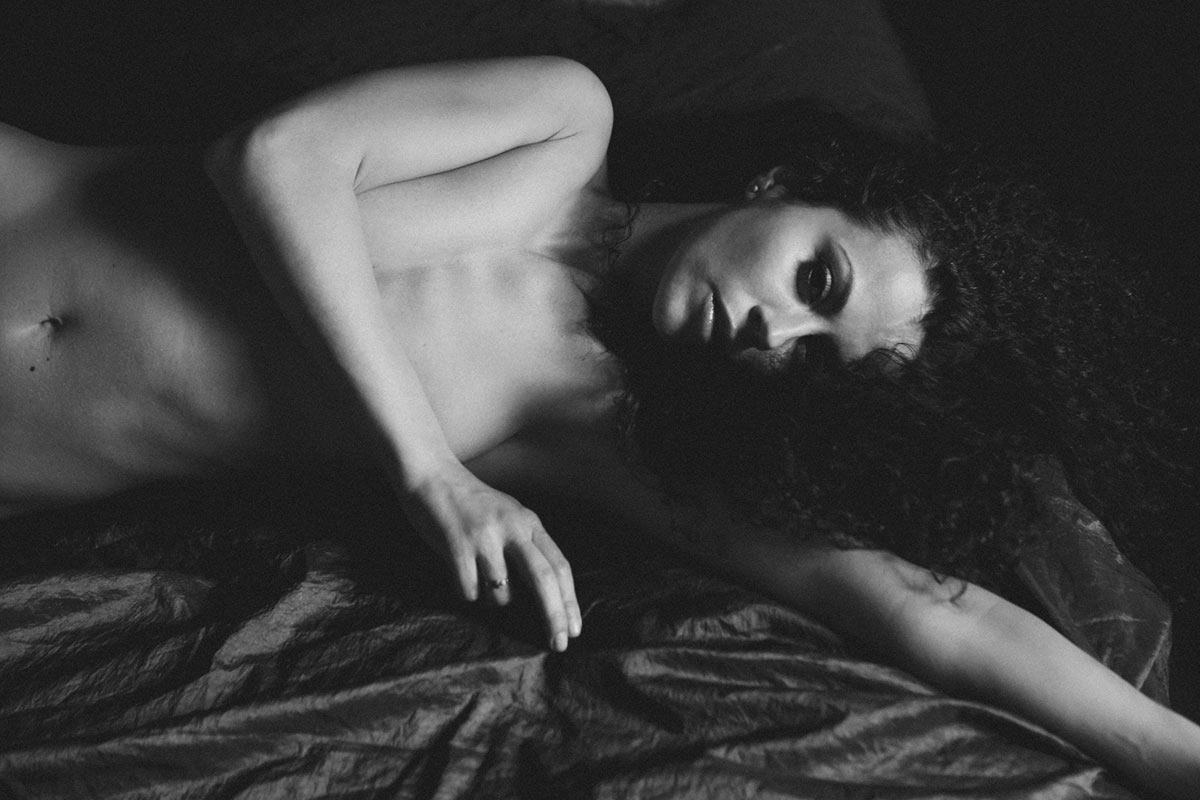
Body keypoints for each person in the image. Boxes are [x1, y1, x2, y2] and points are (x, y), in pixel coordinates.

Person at [0, 57, 1196, 796]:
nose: (774, 330)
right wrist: (432, 472)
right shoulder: (561, 124)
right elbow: (276, 158)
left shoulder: (593, 424)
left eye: (814, 357)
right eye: (817, 279)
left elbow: (921, 605)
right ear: (788, 185)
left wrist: (1164, 748)